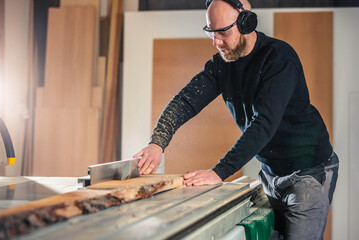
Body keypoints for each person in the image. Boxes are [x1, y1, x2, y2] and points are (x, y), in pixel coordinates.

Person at [134, 0, 339, 239]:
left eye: (223, 32)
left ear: (246, 22)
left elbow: (264, 124)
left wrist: (219, 172)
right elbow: (186, 100)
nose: (217, 42)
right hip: (271, 174)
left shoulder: (279, 59)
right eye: (211, 32)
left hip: (308, 172)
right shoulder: (222, 65)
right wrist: (158, 142)